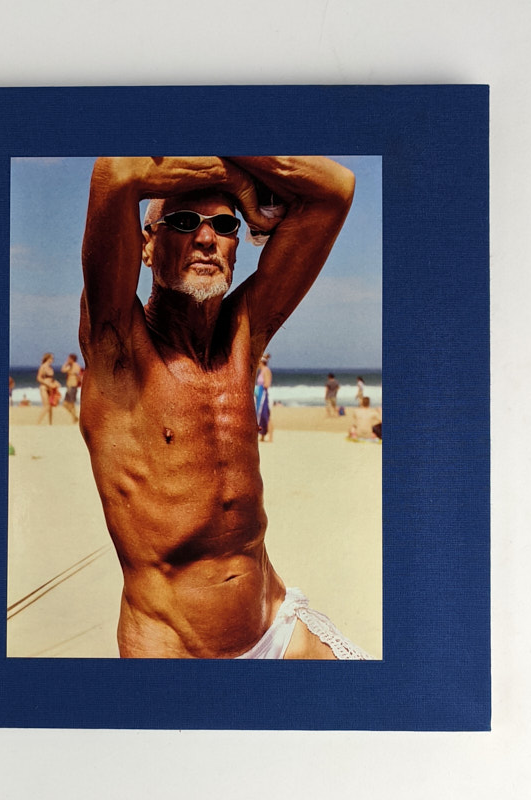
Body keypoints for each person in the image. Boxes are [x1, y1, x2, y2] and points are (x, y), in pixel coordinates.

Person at [79, 156, 367, 659]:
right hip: (174, 649)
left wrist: (239, 192)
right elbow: (117, 172)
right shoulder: (117, 349)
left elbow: (337, 188)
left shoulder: (244, 335)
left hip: (276, 623)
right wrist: (237, 183)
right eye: (183, 221)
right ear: (147, 245)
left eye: (226, 225)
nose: (207, 238)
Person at [36, 352, 61, 425]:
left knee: (50, 407)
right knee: (46, 406)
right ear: (47, 358)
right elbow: (39, 378)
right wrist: (47, 383)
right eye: (51, 358)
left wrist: (56, 382)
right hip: (44, 387)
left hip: (50, 388)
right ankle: (38, 423)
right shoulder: (43, 367)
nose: (53, 359)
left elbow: (51, 378)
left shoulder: (50, 368)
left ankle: (50, 423)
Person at [254, 354, 273, 442]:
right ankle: (262, 435)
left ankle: (270, 437)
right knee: (260, 414)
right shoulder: (261, 371)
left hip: (264, 395)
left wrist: (258, 388)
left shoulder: (266, 371)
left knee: (266, 415)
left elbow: (267, 384)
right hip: (260, 395)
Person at [61, 353, 83, 422]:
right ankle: (75, 417)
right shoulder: (70, 366)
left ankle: (74, 419)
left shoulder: (76, 366)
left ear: (72, 359)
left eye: (69, 359)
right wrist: (66, 363)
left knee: (71, 403)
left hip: (73, 386)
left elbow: (78, 376)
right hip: (69, 386)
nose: (67, 360)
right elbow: (63, 370)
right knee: (65, 404)